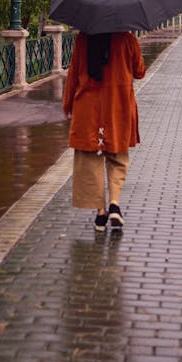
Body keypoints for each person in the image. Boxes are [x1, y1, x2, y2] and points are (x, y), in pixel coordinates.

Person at [63, 31, 146, 231]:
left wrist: (67, 105)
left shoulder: (83, 39)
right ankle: (114, 204)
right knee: (118, 157)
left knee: (91, 160)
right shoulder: (127, 39)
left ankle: (101, 213)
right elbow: (139, 72)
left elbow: (73, 73)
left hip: (89, 107)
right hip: (118, 106)